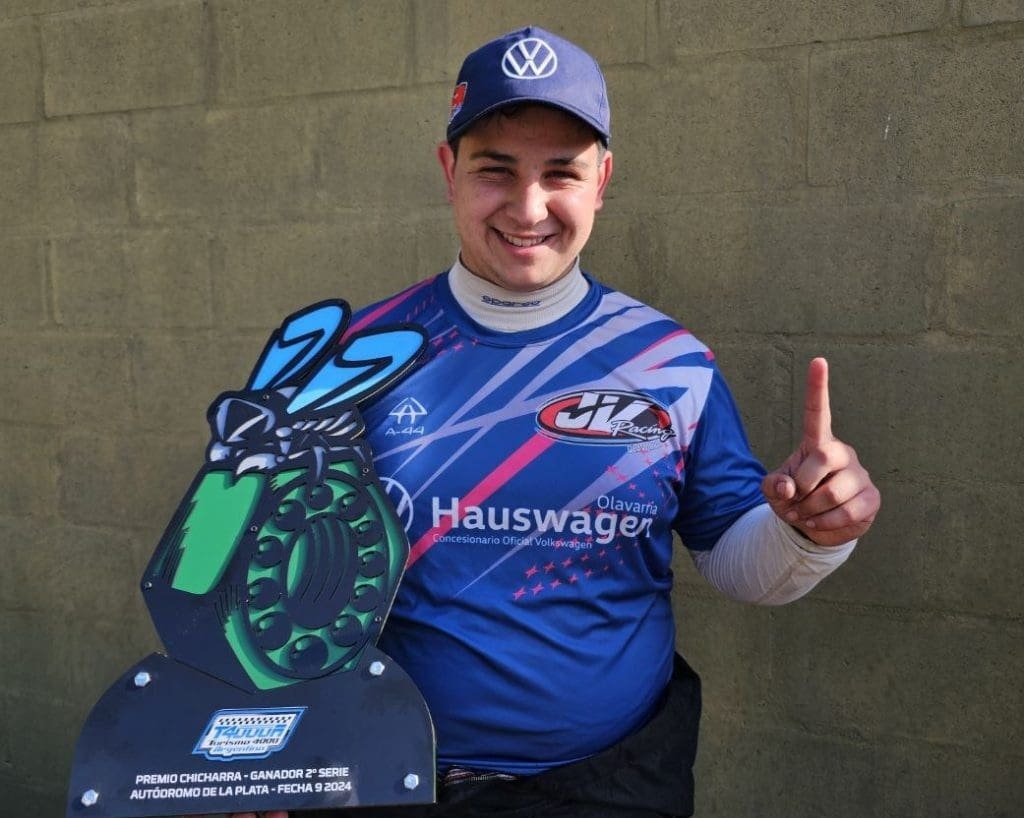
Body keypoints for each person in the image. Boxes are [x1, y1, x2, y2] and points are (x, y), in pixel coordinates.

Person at [225, 25, 880, 818]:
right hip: (380, 775)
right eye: (495, 170)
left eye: (561, 173)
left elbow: (738, 560)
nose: (529, 207)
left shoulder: (671, 364)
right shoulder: (357, 358)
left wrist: (811, 534)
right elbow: (257, 572)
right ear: (449, 172)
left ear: (602, 180)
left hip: (608, 786)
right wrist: (252, 753)